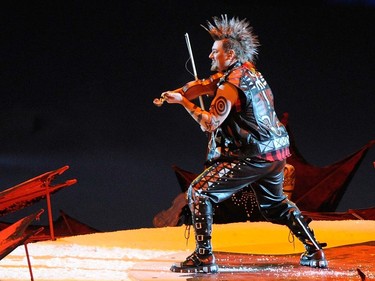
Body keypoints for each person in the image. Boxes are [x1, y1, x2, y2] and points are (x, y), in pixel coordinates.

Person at [160, 15, 328, 274]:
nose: (209, 56)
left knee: (199, 193)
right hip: (275, 155)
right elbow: (206, 85)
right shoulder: (249, 71)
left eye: (215, 52)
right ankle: (315, 250)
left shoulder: (230, 83)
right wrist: (182, 92)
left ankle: (204, 257)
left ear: (229, 54)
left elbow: (211, 122)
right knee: (275, 205)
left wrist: (183, 103)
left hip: (251, 157)